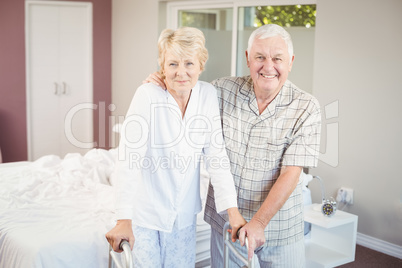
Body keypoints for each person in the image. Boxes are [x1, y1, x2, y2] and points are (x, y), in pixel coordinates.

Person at [144, 24, 321, 267]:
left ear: (290, 61)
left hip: (281, 228)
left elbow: (291, 173)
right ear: (248, 59)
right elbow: (183, 83)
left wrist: (258, 223)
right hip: (226, 223)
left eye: (277, 58)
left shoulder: (306, 107)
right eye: (260, 57)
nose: (268, 66)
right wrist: (161, 81)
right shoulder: (221, 90)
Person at [105, 27, 245, 267]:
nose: (181, 72)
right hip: (145, 215)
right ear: (162, 66)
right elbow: (128, 159)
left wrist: (233, 212)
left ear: (201, 66)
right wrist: (123, 218)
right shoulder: (147, 95)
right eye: (172, 64)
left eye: (189, 63)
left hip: (184, 217)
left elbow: (217, 157)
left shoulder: (207, 95)